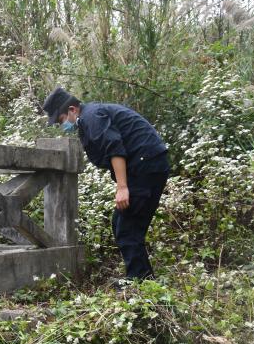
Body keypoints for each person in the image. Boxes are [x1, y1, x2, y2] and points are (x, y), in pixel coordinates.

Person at [42, 87, 170, 284]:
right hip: (148, 165)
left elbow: (115, 149)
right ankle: (143, 279)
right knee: (123, 224)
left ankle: (139, 281)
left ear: (72, 109)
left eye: (61, 120)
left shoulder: (92, 117)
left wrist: (122, 188)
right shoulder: (90, 118)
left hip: (145, 166)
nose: (62, 125)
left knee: (126, 227)